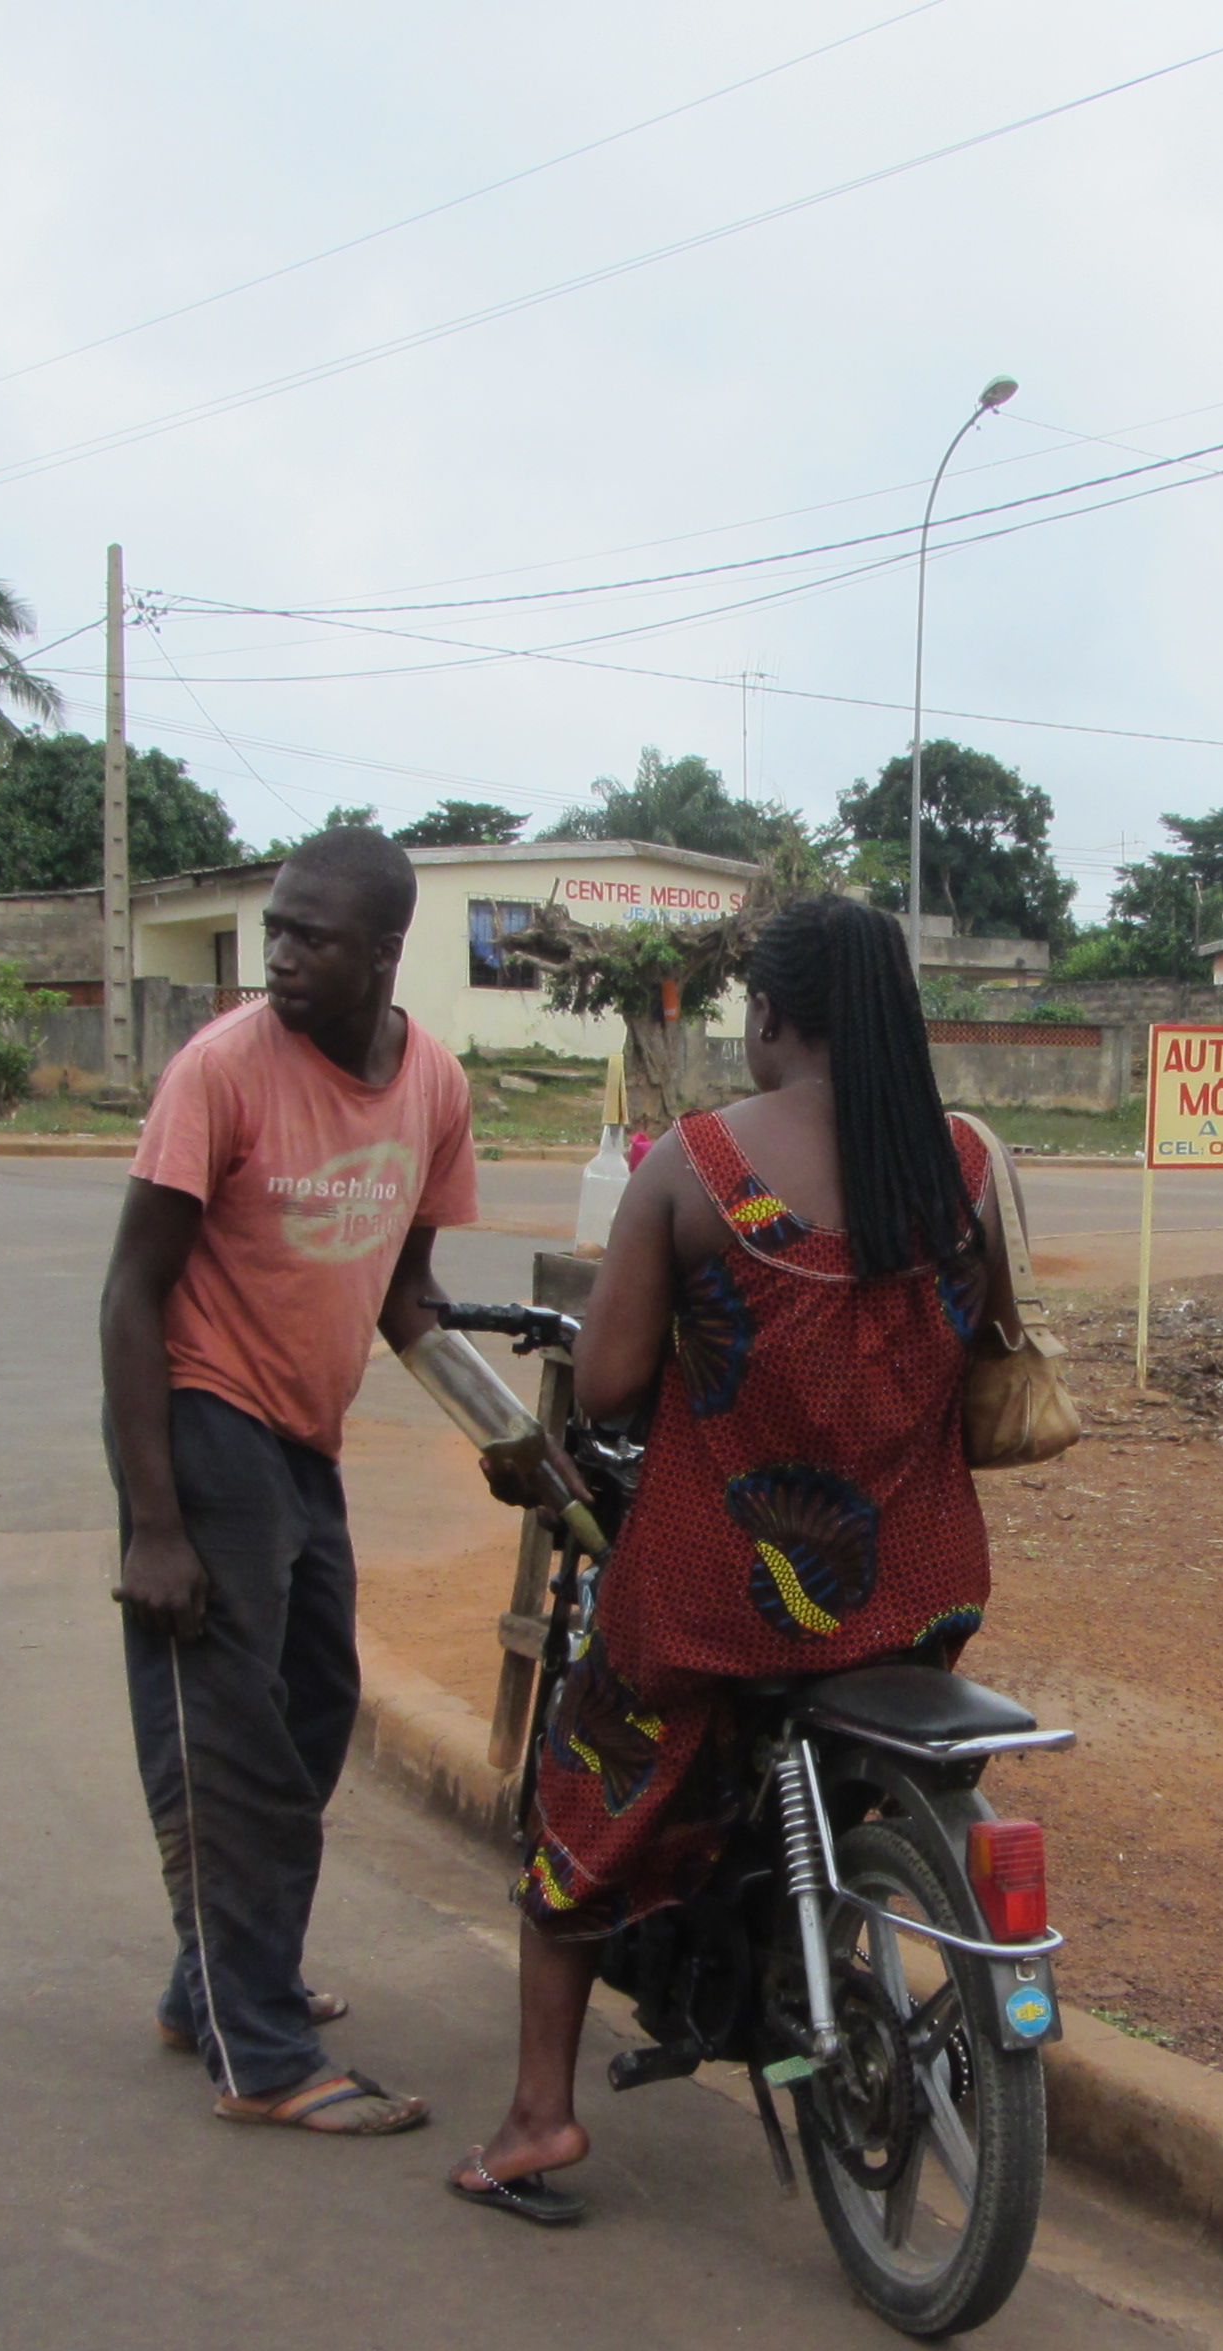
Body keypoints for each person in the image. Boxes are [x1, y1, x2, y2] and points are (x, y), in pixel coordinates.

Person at [454, 895, 1016, 2226]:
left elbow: (602, 1384)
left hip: (720, 1608)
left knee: (578, 1808)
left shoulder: (697, 1168)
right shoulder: (964, 1172)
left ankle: (538, 2120)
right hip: (912, 1605)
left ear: (765, 1015)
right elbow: (976, 1359)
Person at [99, 823, 481, 2140]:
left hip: (304, 1445)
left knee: (312, 1710)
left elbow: (410, 1298)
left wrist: (508, 1434)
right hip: (207, 1424)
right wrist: (154, 1525)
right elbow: (130, 1292)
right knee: (232, 1744)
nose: (281, 958)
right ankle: (258, 2054)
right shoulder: (221, 1070)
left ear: (384, 951)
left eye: (311, 937)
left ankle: (210, 1981)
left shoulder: (431, 1085)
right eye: (276, 929)